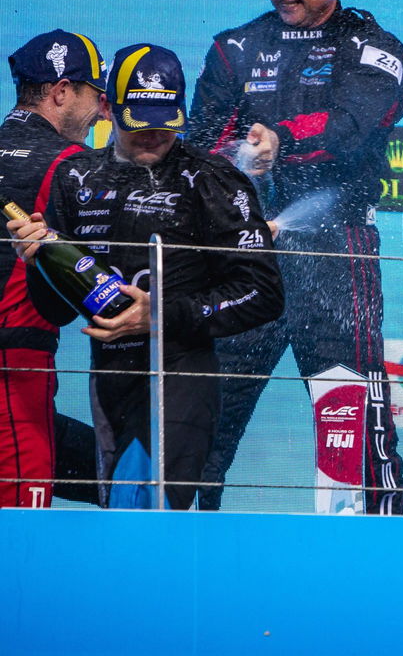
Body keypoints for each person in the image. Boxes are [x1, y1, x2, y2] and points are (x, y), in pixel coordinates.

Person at [188, 0, 403, 514]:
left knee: (349, 409)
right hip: (244, 252)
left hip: (334, 250)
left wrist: (279, 140)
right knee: (208, 411)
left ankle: (365, 552)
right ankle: (183, 547)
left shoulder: (376, 50)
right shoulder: (235, 47)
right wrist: (237, 160)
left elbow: (352, 127)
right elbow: (200, 142)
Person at [10, 43, 283, 510]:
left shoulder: (211, 178)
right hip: (108, 379)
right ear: (107, 107)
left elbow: (263, 292)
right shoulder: (75, 176)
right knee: (118, 516)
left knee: (150, 514)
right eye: (140, 122)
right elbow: (54, 309)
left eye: (165, 121)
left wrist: (158, 315)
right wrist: (38, 261)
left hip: (180, 374)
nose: (154, 134)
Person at [1, 30, 108, 508]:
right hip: (14, 373)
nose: (104, 110)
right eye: (97, 95)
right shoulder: (74, 164)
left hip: (20, 378)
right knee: (21, 538)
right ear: (62, 91)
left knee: (108, 471)